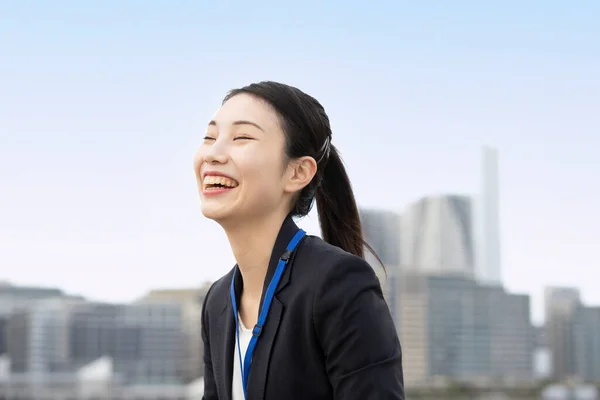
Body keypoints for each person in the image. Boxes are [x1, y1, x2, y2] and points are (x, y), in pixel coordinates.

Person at [194, 81, 404, 400]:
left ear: (298, 173)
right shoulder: (218, 300)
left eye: (242, 137)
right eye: (210, 137)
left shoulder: (340, 283)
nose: (213, 153)